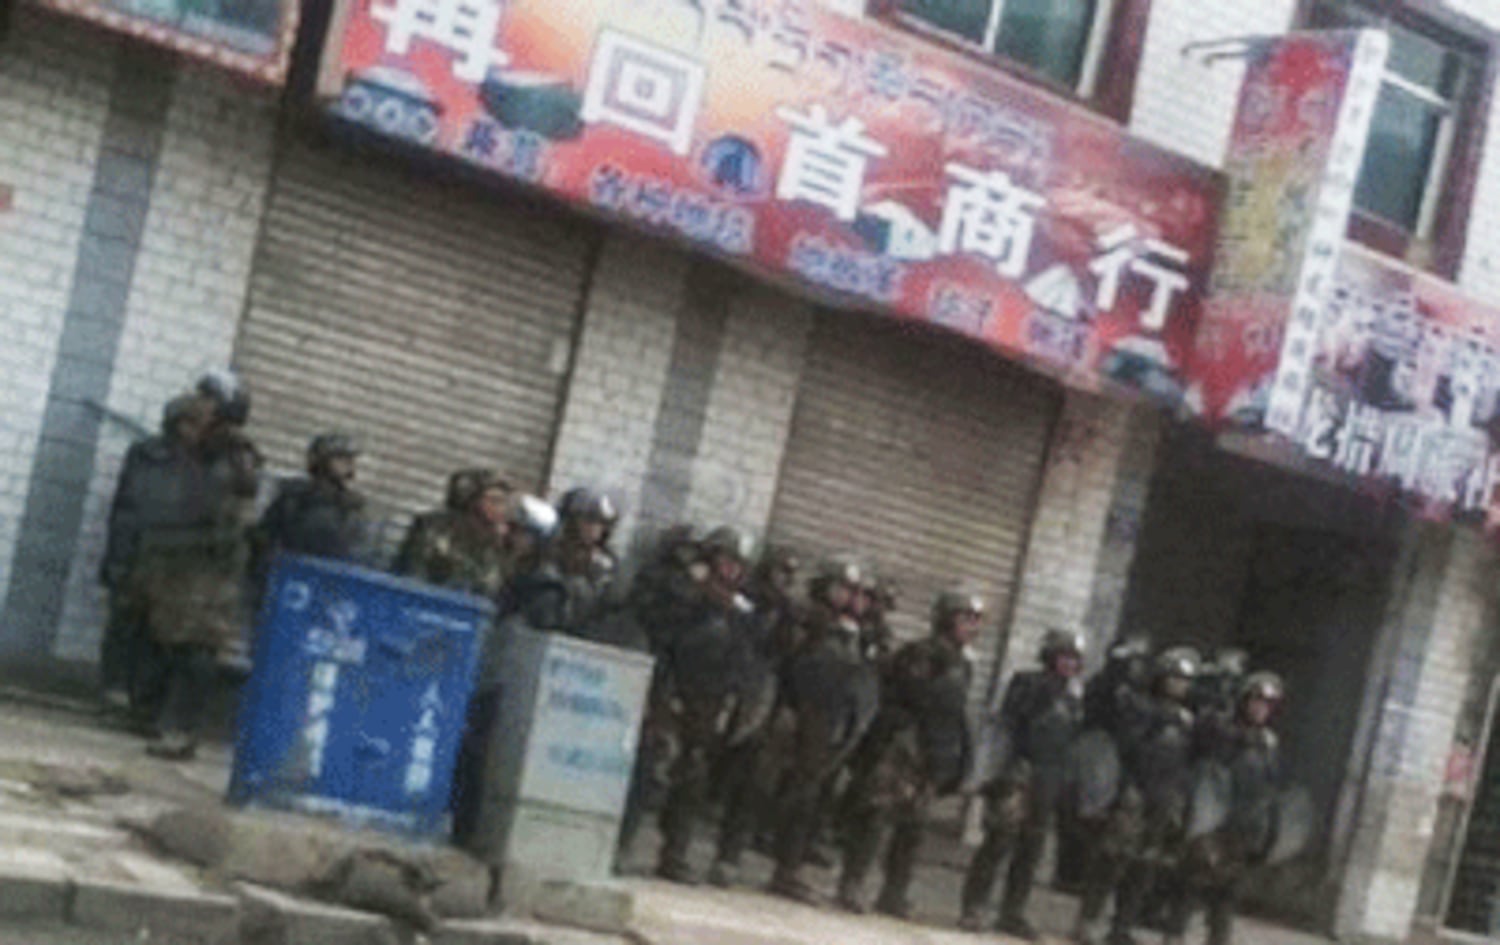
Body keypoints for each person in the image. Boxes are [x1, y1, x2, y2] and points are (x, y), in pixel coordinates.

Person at [102, 388, 260, 759]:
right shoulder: (202, 457)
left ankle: (180, 729)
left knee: (195, 650)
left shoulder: (228, 461)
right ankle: (157, 717)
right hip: (180, 567)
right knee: (167, 643)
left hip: (204, 573)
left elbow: (222, 517)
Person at [836, 588, 980, 917]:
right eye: (964, 619)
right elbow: (911, 695)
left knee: (913, 827)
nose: (970, 628)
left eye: (975, 621)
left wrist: (958, 756)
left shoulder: (963, 664)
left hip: (933, 750)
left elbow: (955, 712)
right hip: (904, 746)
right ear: (946, 620)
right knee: (876, 816)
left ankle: (894, 893)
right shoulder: (922, 653)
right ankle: (852, 883)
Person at [452, 494, 560, 852]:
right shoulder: (501, 567)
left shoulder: (542, 585)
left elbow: (524, 639)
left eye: (521, 533)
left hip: (504, 683)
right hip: (481, 671)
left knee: (484, 756)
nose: (511, 537)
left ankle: (471, 833)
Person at [767, 556, 879, 904]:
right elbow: (787, 663)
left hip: (830, 721)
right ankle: (780, 867)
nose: (847, 596)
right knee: (789, 792)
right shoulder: (807, 619)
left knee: (811, 796)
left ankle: (791, 866)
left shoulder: (850, 631)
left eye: (851, 590)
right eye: (841, 588)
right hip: (801, 714)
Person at [961, 629, 1085, 938]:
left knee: (1031, 849)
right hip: (1019, 771)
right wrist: (997, 770)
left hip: (1049, 778)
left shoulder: (1073, 698)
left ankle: (1012, 912)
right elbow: (1006, 726)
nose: (1069, 664)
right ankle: (974, 907)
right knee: (998, 841)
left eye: (1074, 659)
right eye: (1064, 657)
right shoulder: (1027, 683)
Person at [653, 526, 760, 883]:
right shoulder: (687, 593)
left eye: (738, 565)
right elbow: (668, 638)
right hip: (677, 692)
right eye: (726, 561)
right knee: (657, 768)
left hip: (713, 702)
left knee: (695, 779)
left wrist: (738, 701)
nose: (731, 570)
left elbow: (747, 657)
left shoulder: (741, 610)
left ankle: (676, 853)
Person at [708, 543, 801, 887]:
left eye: (788, 574)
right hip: (726, 691)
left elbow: (789, 658)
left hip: (761, 701)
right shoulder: (744, 600)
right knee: (701, 772)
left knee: (750, 786)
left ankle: (728, 857)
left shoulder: (788, 611)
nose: (782, 579)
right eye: (779, 571)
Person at [1170, 672, 1285, 945]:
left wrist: (1269, 832)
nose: (1260, 709)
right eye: (1256, 701)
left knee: (1226, 897)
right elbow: (1201, 768)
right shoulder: (1220, 729)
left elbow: (1271, 790)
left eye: (1267, 705)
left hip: (1243, 830)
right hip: (1212, 823)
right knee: (1192, 886)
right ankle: (1174, 937)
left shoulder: (1268, 743)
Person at [1104, 646, 1202, 945]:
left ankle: (1123, 925)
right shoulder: (1140, 706)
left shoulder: (1187, 719)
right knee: (1113, 859)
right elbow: (1125, 748)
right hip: (1135, 789)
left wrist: (1179, 796)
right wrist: (1124, 786)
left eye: (1184, 680)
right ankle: (1091, 920)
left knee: (1145, 865)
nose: (1178, 685)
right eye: (1174, 678)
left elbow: (1188, 760)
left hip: (1163, 796)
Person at [1071, 636, 1156, 945]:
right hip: (1107, 780)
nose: (1135, 667)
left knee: (1131, 863)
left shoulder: (1144, 700)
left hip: (1138, 787)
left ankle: (1119, 927)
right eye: (1129, 661)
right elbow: (1097, 732)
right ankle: (1087, 921)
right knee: (1105, 860)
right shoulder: (1105, 690)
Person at [251, 433, 366, 594]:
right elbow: (264, 536)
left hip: (325, 584)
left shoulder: (351, 506)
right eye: (340, 458)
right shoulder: (294, 496)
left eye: (350, 459)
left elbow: (354, 552)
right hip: (285, 578)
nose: (348, 464)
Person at [393, 469, 511, 600]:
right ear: (472, 500)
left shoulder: (496, 542)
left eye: (504, 502)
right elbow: (412, 572)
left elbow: (492, 588)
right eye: (494, 501)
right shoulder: (434, 528)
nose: (501, 509)